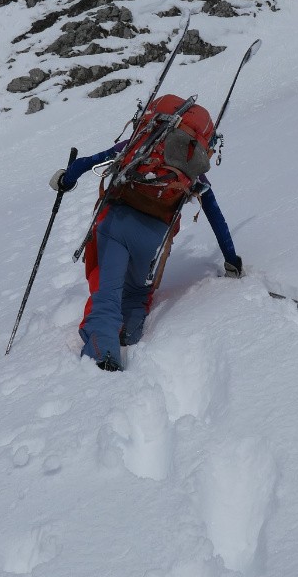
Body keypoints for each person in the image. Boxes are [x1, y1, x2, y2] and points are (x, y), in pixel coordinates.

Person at [50, 96, 242, 371]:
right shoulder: (193, 173)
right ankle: (129, 333)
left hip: (116, 224)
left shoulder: (138, 147)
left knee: (107, 295)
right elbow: (216, 218)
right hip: (153, 240)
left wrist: (64, 179)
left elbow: (85, 164)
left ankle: (103, 356)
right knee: (137, 294)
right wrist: (232, 260)